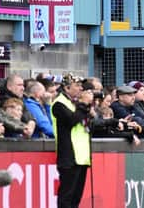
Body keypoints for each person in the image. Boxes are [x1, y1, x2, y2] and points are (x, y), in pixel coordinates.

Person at [51, 73, 94, 208]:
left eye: (81, 86)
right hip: (69, 156)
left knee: (76, 197)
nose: (80, 89)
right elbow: (71, 120)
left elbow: (88, 126)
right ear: (67, 88)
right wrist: (83, 105)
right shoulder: (59, 104)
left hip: (81, 156)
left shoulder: (76, 104)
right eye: (77, 85)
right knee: (66, 197)